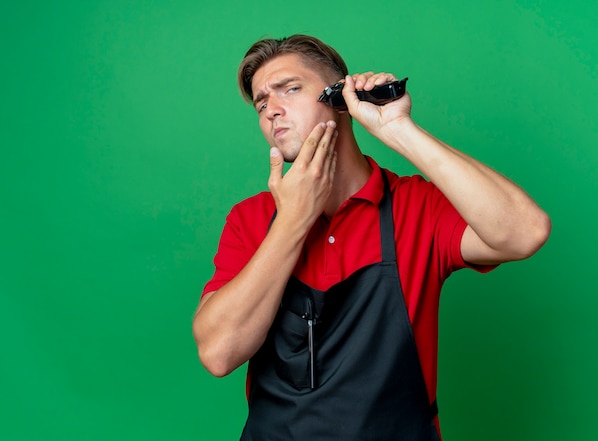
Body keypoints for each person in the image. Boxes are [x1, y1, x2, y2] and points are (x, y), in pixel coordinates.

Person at [192, 34, 551, 440]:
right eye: (261, 103)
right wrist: (292, 220)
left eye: (290, 89)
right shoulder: (250, 219)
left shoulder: (416, 207)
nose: (272, 110)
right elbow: (219, 353)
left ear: (339, 98)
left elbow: (525, 232)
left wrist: (399, 129)